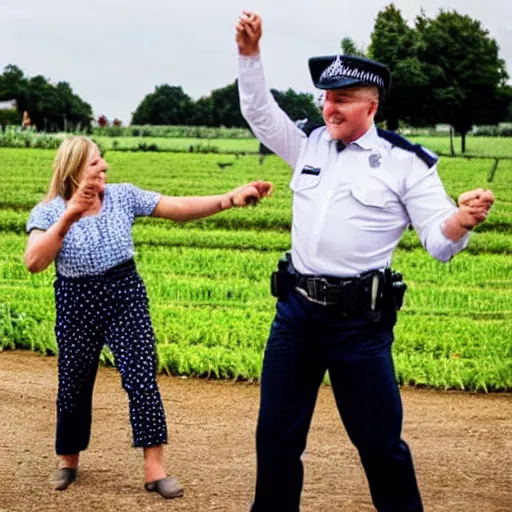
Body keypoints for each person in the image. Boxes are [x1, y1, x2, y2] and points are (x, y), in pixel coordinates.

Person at [235, 11, 494, 512]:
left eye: (343, 99)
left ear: (371, 105)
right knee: (276, 440)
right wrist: (249, 56)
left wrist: (461, 220)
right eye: (327, 98)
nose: (330, 108)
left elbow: (438, 240)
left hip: (359, 324)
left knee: (379, 446)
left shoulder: (405, 163)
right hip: (295, 315)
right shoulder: (308, 142)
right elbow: (260, 114)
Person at [24, 136, 273, 498]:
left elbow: (178, 206)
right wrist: (69, 217)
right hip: (76, 299)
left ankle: (155, 470)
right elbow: (34, 262)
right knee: (74, 383)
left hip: (124, 294)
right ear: (74, 169)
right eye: (95, 163)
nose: (104, 166)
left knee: (141, 376)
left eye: (102, 160)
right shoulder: (47, 212)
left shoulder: (123, 196)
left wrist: (227, 200)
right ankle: (68, 461)